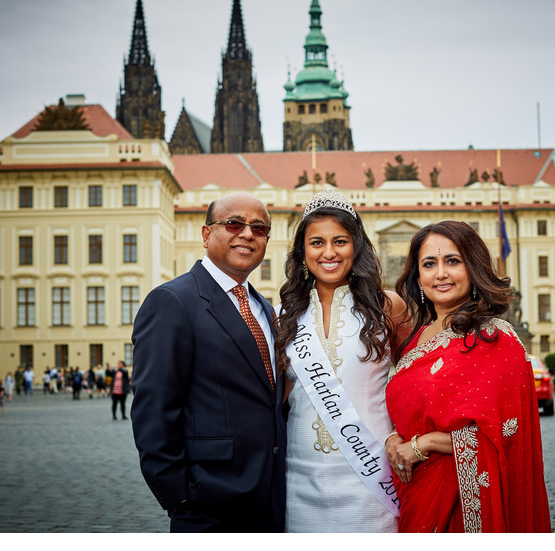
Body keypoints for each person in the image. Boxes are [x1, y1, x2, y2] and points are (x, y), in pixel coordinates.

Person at [131, 192, 286, 532]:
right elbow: (154, 410)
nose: (247, 234)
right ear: (205, 234)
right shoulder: (172, 301)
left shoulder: (266, 309)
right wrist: (178, 497)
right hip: (208, 503)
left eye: (259, 228)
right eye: (234, 223)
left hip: (271, 498)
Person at [385, 221, 550, 532]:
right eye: (429, 264)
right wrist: (393, 438)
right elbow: (407, 412)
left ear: (473, 268)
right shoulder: (415, 337)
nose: (441, 273)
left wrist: (425, 444)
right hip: (412, 496)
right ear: (418, 277)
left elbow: (505, 434)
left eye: (453, 261)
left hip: (464, 503)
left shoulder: (494, 338)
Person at [274, 190, 407, 532]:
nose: (329, 252)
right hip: (298, 475)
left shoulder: (387, 306)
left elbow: (415, 378)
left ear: (356, 246)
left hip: (371, 476)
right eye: (317, 242)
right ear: (303, 251)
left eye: (341, 241)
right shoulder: (283, 314)